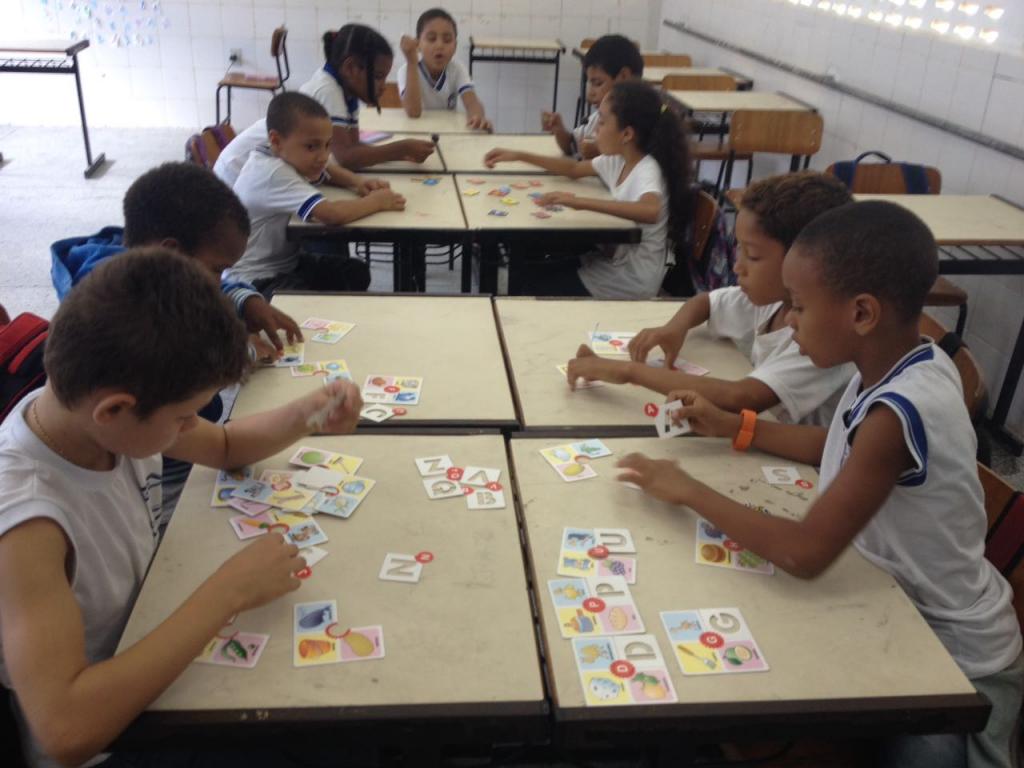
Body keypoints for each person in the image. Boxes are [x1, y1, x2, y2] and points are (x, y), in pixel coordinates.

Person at [618, 200, 1023, 768]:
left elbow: (803, 552)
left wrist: (687, 489)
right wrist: (735, 427)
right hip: (883, 603)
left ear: (861, 314)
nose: (790, 322)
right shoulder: (900, 362)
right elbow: (834, 445)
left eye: (800, 308)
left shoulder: (899, 410)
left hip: (956, 659)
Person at [0, 249, 364, 768]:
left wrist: (310, 412)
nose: (190, 428)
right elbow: (65, 729)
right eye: (184, 417)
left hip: (155, 644)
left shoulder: (95, 418)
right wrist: (229, 590)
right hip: (114, 738)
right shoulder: (26, 523)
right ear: (115, 409)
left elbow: (225, 446)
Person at [568, 172, 855, 426]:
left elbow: (741, 397)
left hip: (802, 467)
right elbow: (706, 302)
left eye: (753, 256)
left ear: (801, 263)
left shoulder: (823, 337)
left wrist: (629, 371)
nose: (737, 266)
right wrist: (675, 328)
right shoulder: (774, 299)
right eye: (739, 250)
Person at [50, 162, 300, 358]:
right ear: (171, 254)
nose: (218, 282)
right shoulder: (110, 308)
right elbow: (176, 362)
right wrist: (236, 349)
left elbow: (195, 285)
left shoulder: (152, 265)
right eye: (217, 269)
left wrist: (244, 301)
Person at [484, 80, 690, 299]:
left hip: (631, 279)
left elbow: (650, 210)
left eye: (601, 122)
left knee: (530, 285)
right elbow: (573, 168)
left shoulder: (647, 168)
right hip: (612, 262)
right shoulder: (618, 159)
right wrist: (519, 155)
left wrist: (578, 202)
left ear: (627, 134)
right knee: (528, 273)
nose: (595, 129)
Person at [225, 92, 406, 297]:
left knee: (355, 272)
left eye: (327, 145)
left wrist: (357, 182)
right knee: (309, 302)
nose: (323, 156)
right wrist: (377, 202)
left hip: (286, 263)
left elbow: (325, 170)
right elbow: (331, 214)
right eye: (312, 147)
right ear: (276, 140)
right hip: (255, 280)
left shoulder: (279, 154)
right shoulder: (272, 172)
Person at [306, 24, 435, 169]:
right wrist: (401, 149)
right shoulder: (328, 91)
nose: (383, 86)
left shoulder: (347, 89)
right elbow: (345, 157)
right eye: (378, 76)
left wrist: (402, 154)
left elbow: (353, 145)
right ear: (350, 68)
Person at [543, 34, 642, 159]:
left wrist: (600, 150)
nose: (590, 94)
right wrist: (559, 130)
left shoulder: (641, 122)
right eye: (590, 83)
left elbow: (634, 158)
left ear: (623, 77)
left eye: (598, 83)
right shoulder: (600, 116)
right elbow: (571, 146)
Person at [397, 7, 492, 131]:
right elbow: (413, 112)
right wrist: (411, 62)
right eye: (431, 39)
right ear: (418, 44)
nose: (439, 45)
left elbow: (471, 102)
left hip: (447, 132)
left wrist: (478, 117)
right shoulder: (406, 70)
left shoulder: (457, 69)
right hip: (415, 132)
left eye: (447, 40)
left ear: (455, 46)